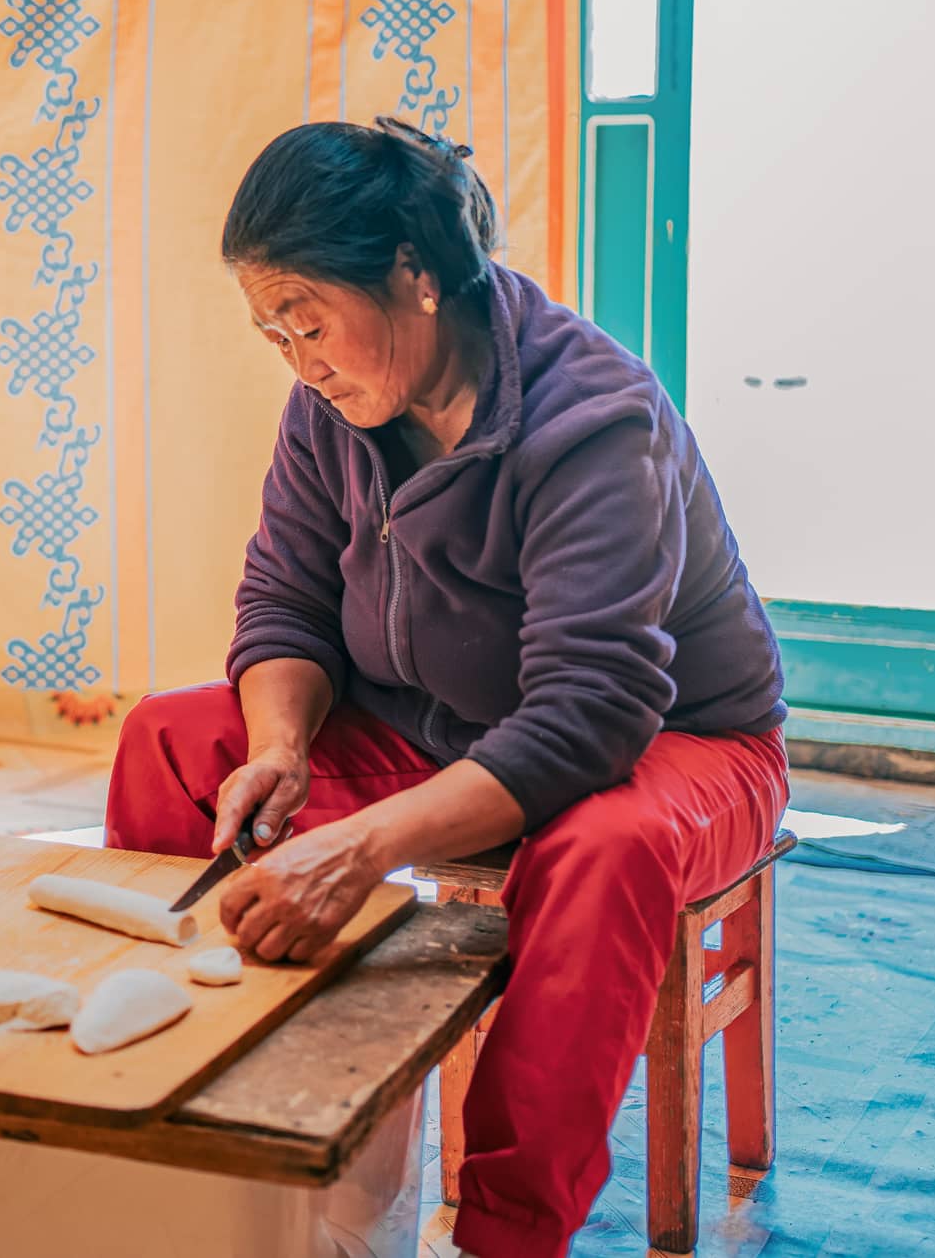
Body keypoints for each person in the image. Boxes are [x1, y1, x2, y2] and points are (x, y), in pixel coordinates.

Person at [105, 117, 789, 1258]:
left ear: (414, 277)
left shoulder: (591, 420)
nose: (295, 356)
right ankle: (208, 1124)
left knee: (600, 849)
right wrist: (277, 746)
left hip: (674, 743)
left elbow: (586, 717)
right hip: (437, 724)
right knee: (175, 741)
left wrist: (360, 845)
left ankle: (504, 1233)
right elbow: (282, 599)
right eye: (270, 331)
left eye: (308, 320)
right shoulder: (328, 409)